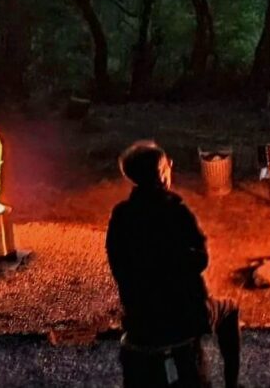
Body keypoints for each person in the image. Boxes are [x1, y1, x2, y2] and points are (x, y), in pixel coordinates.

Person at [106, 140, 240, 388]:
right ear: (162, 174)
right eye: (168, 165)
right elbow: (201, 259)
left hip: (139, 318)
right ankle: (232, 384)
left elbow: (117, 263)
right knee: (229, 308)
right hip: (182, 318)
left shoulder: (121, 215)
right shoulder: (176, 211)